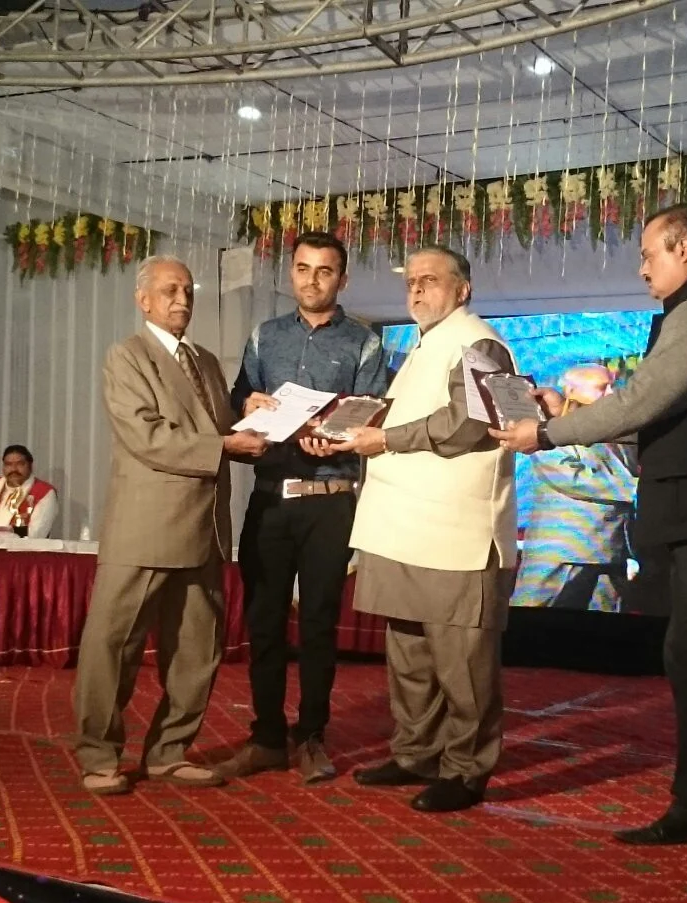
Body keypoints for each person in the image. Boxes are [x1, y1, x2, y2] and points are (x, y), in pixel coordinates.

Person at [492, 204, 687, 876]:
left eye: (649, 254)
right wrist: (564, 411)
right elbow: (650, 412)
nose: (641, 268)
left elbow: (642, 402)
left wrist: (545, 433)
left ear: (685, 248)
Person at [303, 245, 517, 811]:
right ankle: (416, 753)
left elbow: (470, 424)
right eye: (412, 282)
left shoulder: (478, 343)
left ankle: (467, 770)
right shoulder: (425, 345)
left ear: (463, 290)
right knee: (410, 656)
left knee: (462, 663)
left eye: (431, 280)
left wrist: (385, 438)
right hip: (402, 525)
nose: (417, 289)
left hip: (455, 533)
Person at [72, 255, 268, 795]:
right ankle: (99, 755)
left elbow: (220, 429)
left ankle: (169, 753)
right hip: (146, 527)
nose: (182, 300)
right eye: (169, 291)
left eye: (188, 291)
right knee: (113, 645)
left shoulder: (204, 360)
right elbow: (147, 436)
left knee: (197, 649)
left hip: (205, 526)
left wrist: (256, 416)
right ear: (143, 300)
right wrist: (226, 443)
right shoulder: (126, 357)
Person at [216, 231, 388, 785]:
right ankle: (267, 737)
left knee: (317, 626)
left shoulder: (365, 343)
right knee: (263, 623)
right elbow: (237, 401)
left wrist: (332, 437)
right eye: (303, 269)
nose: (312, 280)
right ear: (291, 273)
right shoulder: (264, 336)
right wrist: (247, 400)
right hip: (270, 499)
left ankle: (312, 736)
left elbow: (372, 416)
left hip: (329, 502)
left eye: (325, 270)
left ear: (342, 279)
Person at [510, 364, 637, 613]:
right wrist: (637, 488)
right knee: (531, 624)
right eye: (602, 387)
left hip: (612, 549)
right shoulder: (548, 430)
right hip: (562, 550)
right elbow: (573, 476)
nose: (611, 393)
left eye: (613, 386)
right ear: (570, 390)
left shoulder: (620, 432)